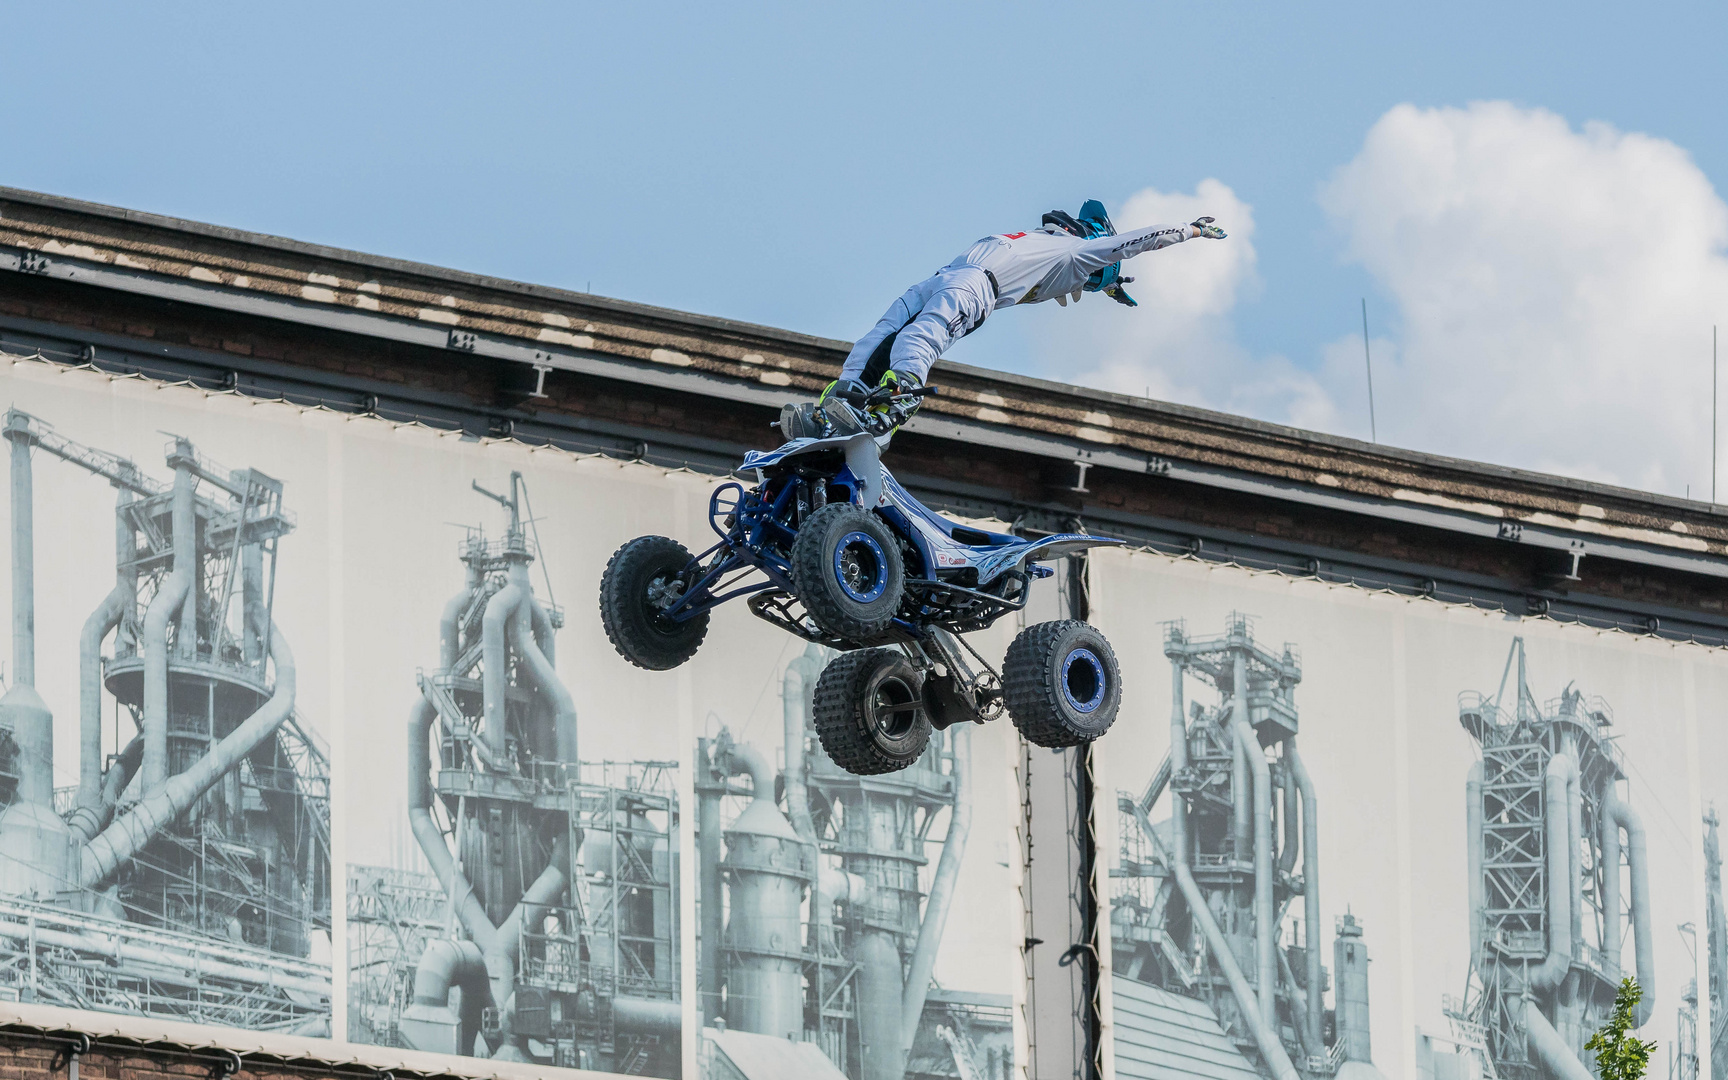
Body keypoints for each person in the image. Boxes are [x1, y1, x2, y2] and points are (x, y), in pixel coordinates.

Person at [821, 200, 1227, 430]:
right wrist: (1108, 285)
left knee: (917, 339)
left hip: (976, 287)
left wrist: (1188, 230)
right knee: (874, 342)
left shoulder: (1076, 253)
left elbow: (1134, 242)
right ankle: (840, 400)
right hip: (945, 277)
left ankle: (900, 396)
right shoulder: (1054, 246)